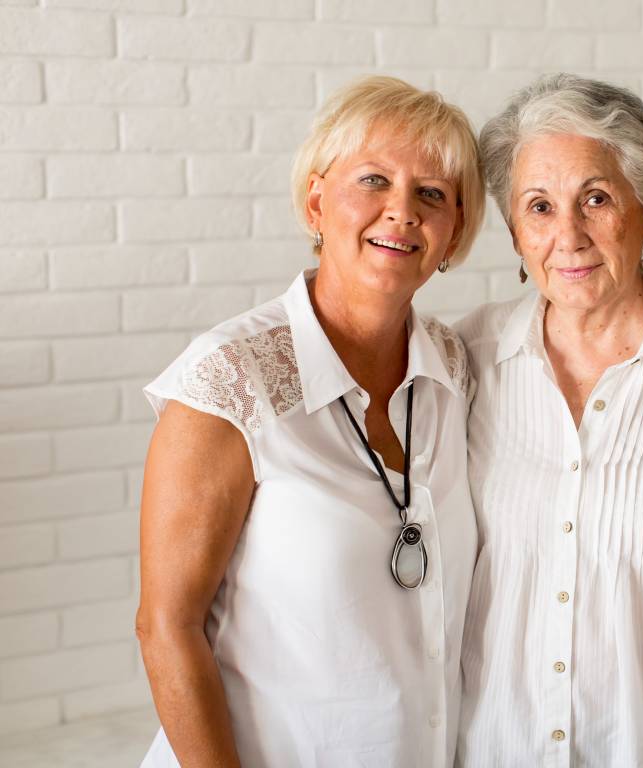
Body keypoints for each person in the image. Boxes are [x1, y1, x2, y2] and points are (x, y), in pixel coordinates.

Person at [135, 75, 485, 767]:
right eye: (374, 180)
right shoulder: (229, 380)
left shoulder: (456, 370)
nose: (402, 211)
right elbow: (166, 628)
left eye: (431, 194)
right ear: (317, 202)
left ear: (455, 231)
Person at [454, 73, 643, 767]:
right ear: (514, 232)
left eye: (595, 198)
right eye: (539, 207)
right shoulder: (464, 361)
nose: (569, 235)